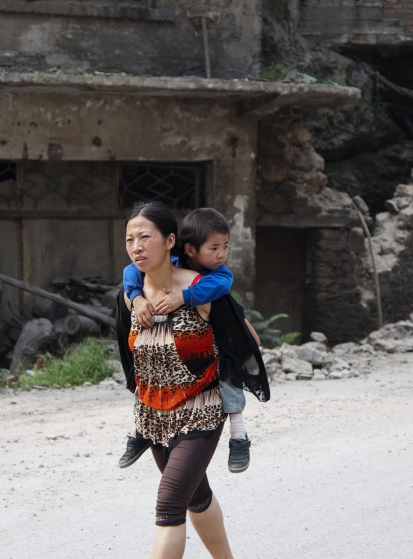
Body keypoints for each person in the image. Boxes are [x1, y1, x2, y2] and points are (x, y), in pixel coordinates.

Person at [121, 200, 234, 558]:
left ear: (170, 241)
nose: (136, 246)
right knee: (196, 498)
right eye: (129, 239)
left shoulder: (203, 289)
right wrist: (136, 296)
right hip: (154, 418)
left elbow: (246, 341)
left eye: (145, 237)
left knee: (169, 506)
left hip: (200, 411)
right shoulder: (131, 298)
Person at [118, 208, 253, 474]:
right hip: (158, 397)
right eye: (213, 248)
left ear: (169, 242)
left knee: (227, 370)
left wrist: (184, 296)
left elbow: (224, 297)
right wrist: (137, 297)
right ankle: (139, 429)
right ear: (190, 249)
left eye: (224, 247)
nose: (221, 255)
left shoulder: (217, 277)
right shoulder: (171, 263)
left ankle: (239, 434)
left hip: (206, 384)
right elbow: (129, 272)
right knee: (146, 362)